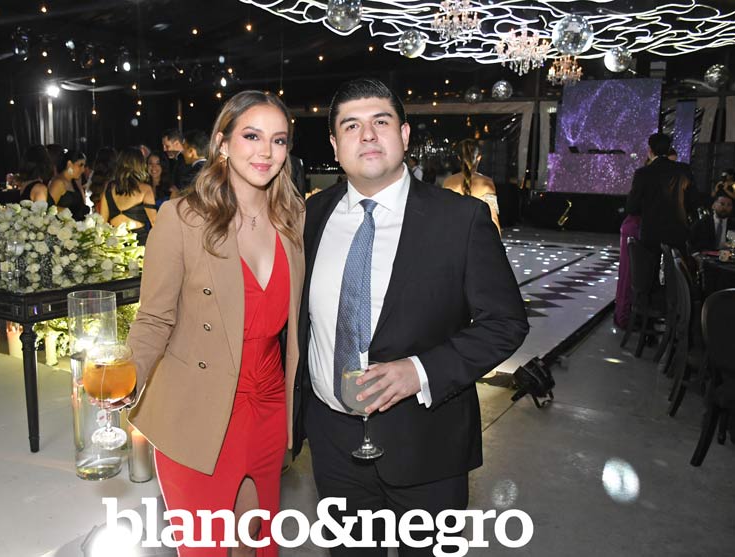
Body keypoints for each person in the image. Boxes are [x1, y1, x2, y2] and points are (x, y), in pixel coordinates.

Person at [291, 78, 528, 556]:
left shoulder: (461, 219)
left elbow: (506, 322)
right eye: (351, 126)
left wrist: (419, 371)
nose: (367, 135)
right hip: (333, 445)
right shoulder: (310, 216)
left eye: (380, 122)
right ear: (335, 146)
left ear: (404, 134)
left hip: (427, 444)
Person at [127, 90, 305, 556]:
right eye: (252, 136)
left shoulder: (294, 220)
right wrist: (128, 375)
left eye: (279, 140)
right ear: (222, 144)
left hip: (270, 407)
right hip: (199, 410)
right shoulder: (181, 220)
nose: (266, 151)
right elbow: (154, 318)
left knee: (258, 543)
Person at [626, 133, 696, 257]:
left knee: (650, 268)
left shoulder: (643, 173)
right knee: (676, 267)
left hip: (651, 233)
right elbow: (693, 201)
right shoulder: (684, 170)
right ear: (669, 149)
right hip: (678, 231)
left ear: (650, 150)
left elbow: (632, 206)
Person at [99, 147, 157, 244]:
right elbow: (154, 222)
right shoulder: (145, 189)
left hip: (115, 243)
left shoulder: (109, 187)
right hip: (139, 242)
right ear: (140, 165)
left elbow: (102, 221)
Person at [443, 139, 502, 233]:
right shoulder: (486, 183)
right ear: (479, 158)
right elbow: (493, 219)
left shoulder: (448, 182)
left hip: (452, 235)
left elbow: (443, 215)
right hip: (477, 236)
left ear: (459, 158)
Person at [49, 150, 89, 220]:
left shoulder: (74, 182)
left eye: (84, 166)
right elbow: (49, 209)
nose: (83, 170)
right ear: (69, 164)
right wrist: (66, 213)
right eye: (80, 165)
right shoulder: (58, 183)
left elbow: (82, 205)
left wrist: (80, 187)